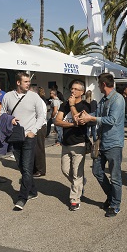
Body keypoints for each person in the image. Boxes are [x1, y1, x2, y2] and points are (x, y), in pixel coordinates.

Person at [79, 73, 125, 217]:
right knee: (97, 171)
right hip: (102, 142)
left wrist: (91, 117)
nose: (98, 86)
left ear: (103, 84)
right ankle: (111, 196)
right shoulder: (103, 100)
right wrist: (85, 116)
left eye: (99, 84)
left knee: (115, 176)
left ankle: (115, 204)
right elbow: (97, 115)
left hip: (114, 143)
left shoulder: (118, 99)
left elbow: (111, 120)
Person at [1, 72, 45, 211]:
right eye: (25, 81)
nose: (28, 84)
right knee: (21, 166)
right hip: (15, 136)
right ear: (18, 83)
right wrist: (10, 119)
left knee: (26, 168)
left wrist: (34, 131)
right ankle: (32, 191)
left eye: (28, 81)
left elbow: (41, 116)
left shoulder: (34, 96)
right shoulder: (8, 96)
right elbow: (2, 113)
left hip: (29, 137)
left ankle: (22, 197)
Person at [55, 80, 91, 211]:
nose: (72, 91)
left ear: (81, 92)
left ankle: (75, 199)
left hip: (79, 143)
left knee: (77, 173)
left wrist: (71, 105)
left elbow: (79, 120)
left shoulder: (85, 106)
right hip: (66, 143)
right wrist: (71, 125)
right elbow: (57, 121)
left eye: (76, 89)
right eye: (72, 89)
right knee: (65, 170)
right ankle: (80, 183)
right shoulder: (63, 105)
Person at [31, 86, 47, 177]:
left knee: (39, 148)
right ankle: (35, 168)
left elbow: (41, 116)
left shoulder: (39, 102)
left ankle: (40, 169)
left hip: (40, 127)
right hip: (36, 126)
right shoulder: (36, 101)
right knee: (35, 148)